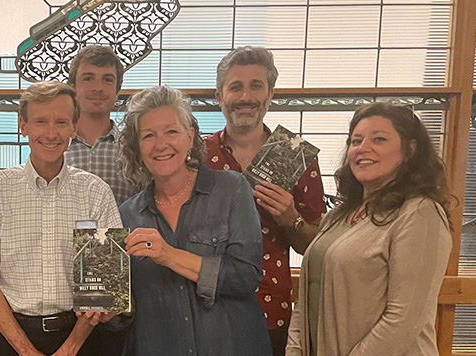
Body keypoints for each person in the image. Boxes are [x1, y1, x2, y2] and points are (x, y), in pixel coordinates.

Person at [0, 81, 121, 356]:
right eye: (40, 121)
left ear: (74, 127)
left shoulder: (96, 192)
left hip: (81, 337)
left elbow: (105, 285)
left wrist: (70, 349)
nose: (50, 133)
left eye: (60, 122)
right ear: (24, 126)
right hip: (11, 338)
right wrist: (25, 351)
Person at [286, 103, 452, 356]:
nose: (363, 148)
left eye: (379, 139)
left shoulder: (419, 213)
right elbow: (307, 297)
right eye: (356, 141)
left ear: (410, 149)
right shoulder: (337, 216)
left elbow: (404, 319)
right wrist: (295, 350)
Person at [117, 85, 271, 356]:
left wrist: (168, 255)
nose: (161, 144)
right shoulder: (128, 214)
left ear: (190, 138)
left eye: (171, 132)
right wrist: (108, 313)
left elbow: (246, 277)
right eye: (148, 136)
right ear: (137, 147)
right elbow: (129, 309)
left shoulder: (231, 189)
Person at [206, 46, 326, 354]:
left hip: (271, 311)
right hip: (205, 306)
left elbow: (316, 246)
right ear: (220, 97)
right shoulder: (197, 154)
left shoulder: (295, 154)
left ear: (270, 94)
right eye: (235, 87)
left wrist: (291, 219)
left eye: (256, 86)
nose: (246, 97)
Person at [65, 45, 141, 206]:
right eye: (88, 78)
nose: (98, 88)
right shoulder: (54, 147)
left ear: (117, 91)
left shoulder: (134, 150)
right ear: (72, 88)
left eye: (107, 80)